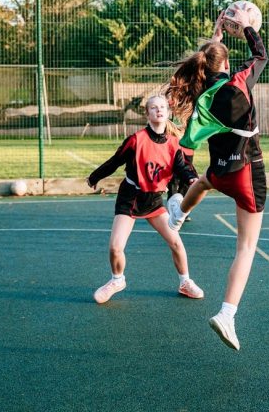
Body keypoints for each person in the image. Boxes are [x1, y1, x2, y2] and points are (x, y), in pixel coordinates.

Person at [165, 7, 267, 351]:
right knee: (247, 247)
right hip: (246, 171)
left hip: (219, 170)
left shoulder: (200, 91)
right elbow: (261, 55)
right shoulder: (238, 82)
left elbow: (209, 61)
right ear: (225, 65)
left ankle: (177, 213)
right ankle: (227, 313)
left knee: (205, 181)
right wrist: (248, 28)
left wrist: (217, 36)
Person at [87, 95, 203, 304]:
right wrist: (95, 176)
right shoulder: (136, 140)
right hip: (130, 198)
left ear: (167, 113)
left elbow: (183, 167)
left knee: (176, 242)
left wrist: (193, 178)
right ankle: (117, 280)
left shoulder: (174, 144)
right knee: (115, 247)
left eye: (162, 107)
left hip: (154, 200)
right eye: (154, 108)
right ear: (147, 114)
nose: (159, 110)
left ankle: (185, 282)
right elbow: (115, 161)